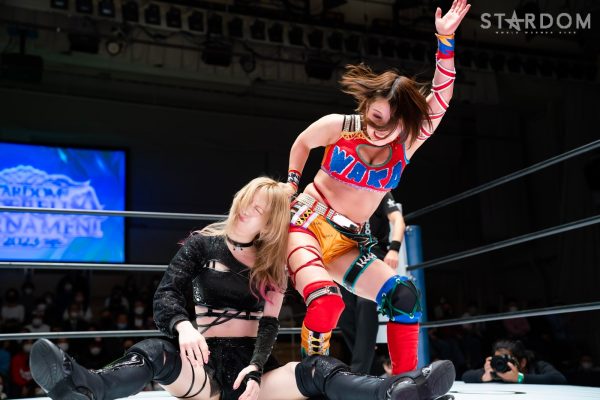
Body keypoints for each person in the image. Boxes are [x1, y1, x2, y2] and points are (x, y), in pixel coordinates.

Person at [29, 177, 456, 400]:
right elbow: (166, 294)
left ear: (270, 223)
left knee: (317, 369)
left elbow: (269, 325)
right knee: (156, 351)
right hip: (203, 371)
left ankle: (396, 391)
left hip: (255, 376)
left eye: (258, 208)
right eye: (246, 199)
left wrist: (254, 366)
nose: (246, 208)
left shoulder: (274, 262)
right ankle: (87, 387)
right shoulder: (202, 245)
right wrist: (182, 327)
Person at [284, 0, 470, 375]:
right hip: (306, 225)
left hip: (349, 243)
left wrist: (445, 41)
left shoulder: (407, 144)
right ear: (366, 105)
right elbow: (303, 142)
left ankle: (405, 383)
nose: (381, 130)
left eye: (393, 123)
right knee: (326, 302)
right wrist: (291, 184)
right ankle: (311, 378)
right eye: (376, 117)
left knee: (404, 295)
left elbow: (441, 97)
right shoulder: (341, 126)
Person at [338, 192, 405, 374]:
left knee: (365, 303)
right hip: (351, 259)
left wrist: (394, 249)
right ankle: (372, 367)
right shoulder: (346, 194)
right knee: (342, 310)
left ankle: (359, 372)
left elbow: (398, 220)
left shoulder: (381, 193)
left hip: (375, 258)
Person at [461, 339, 567, 385]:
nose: (501, 364)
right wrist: (483, 377)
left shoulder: (538, 366)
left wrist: (519, 378)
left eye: (506, 360)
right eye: (498, 360)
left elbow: (559, 379)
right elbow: (465, 376)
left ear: (522, 362)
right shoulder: (496, 370)